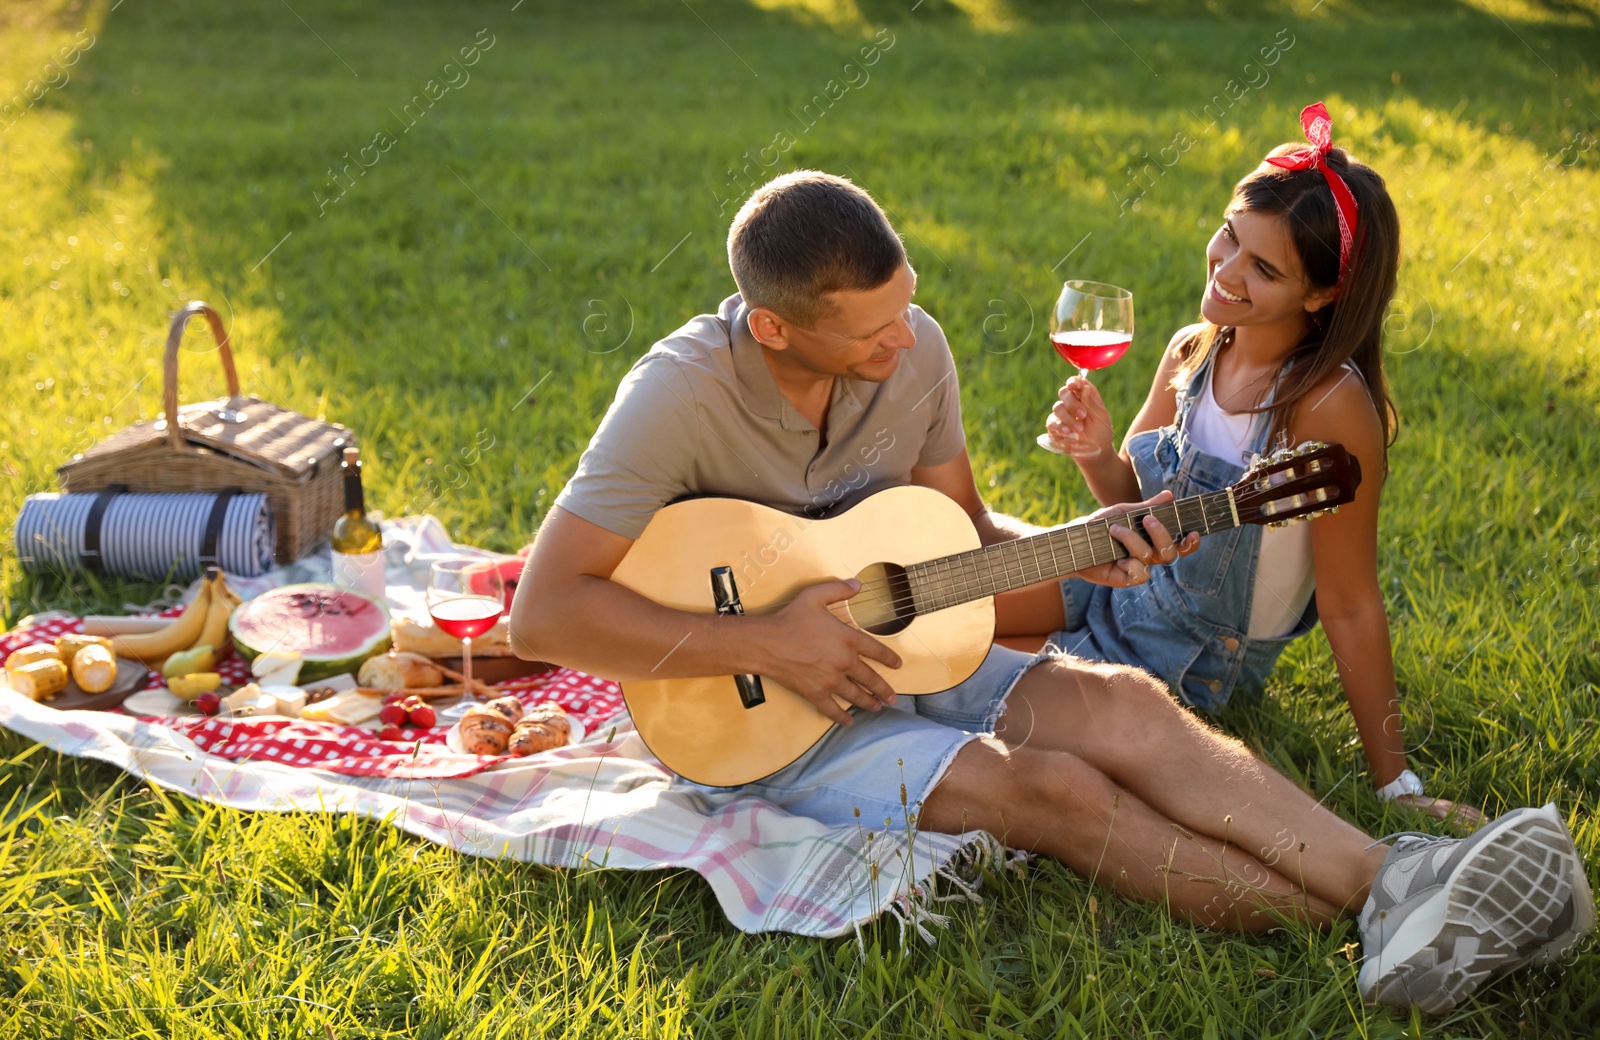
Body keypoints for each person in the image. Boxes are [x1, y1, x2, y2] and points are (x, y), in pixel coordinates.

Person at [509, 168, 1591, 1014]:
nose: (906, 338)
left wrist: (1081, 548)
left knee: (1119, 702)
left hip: (910, 645)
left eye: (908, 306)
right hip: (757, 720)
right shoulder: (676, 393)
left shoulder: (915, 351)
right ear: (776, 326)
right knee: (1056, 793)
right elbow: (545, 611)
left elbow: (963, 548)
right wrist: (773, 642)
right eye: (871, 329)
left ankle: (1399, 887)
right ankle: (1398, 920)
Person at [1001, 103, 1474, 824]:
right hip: (1109, 587)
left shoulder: (1324, 406)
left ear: (1321, 294)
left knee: (972, 678)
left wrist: (1396, 787)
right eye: (1229, 236)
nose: (1226, 270)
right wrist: (1097, 453)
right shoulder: (1196, 347)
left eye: (1264, 267)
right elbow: (1133, 503)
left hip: (1188, 657)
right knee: (945, 609)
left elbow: (1350, 604)